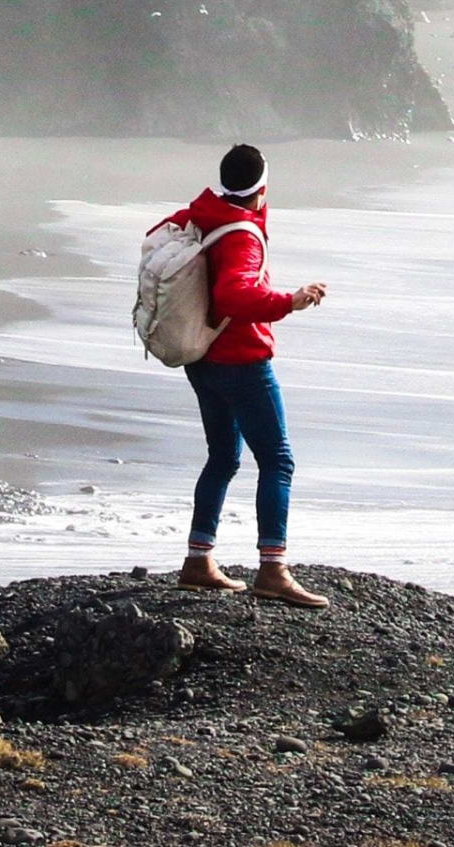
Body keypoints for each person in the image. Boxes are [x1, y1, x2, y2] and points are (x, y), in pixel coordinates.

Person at [167, 141, 331, 606]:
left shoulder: (201, 215)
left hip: (202, 357)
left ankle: (198, 561)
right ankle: (273, 569)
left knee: (222, 458)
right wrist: (290, 301)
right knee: (278, 461)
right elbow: (235, 295)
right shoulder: (241, 234)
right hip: (242, 361)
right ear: (261, 189)